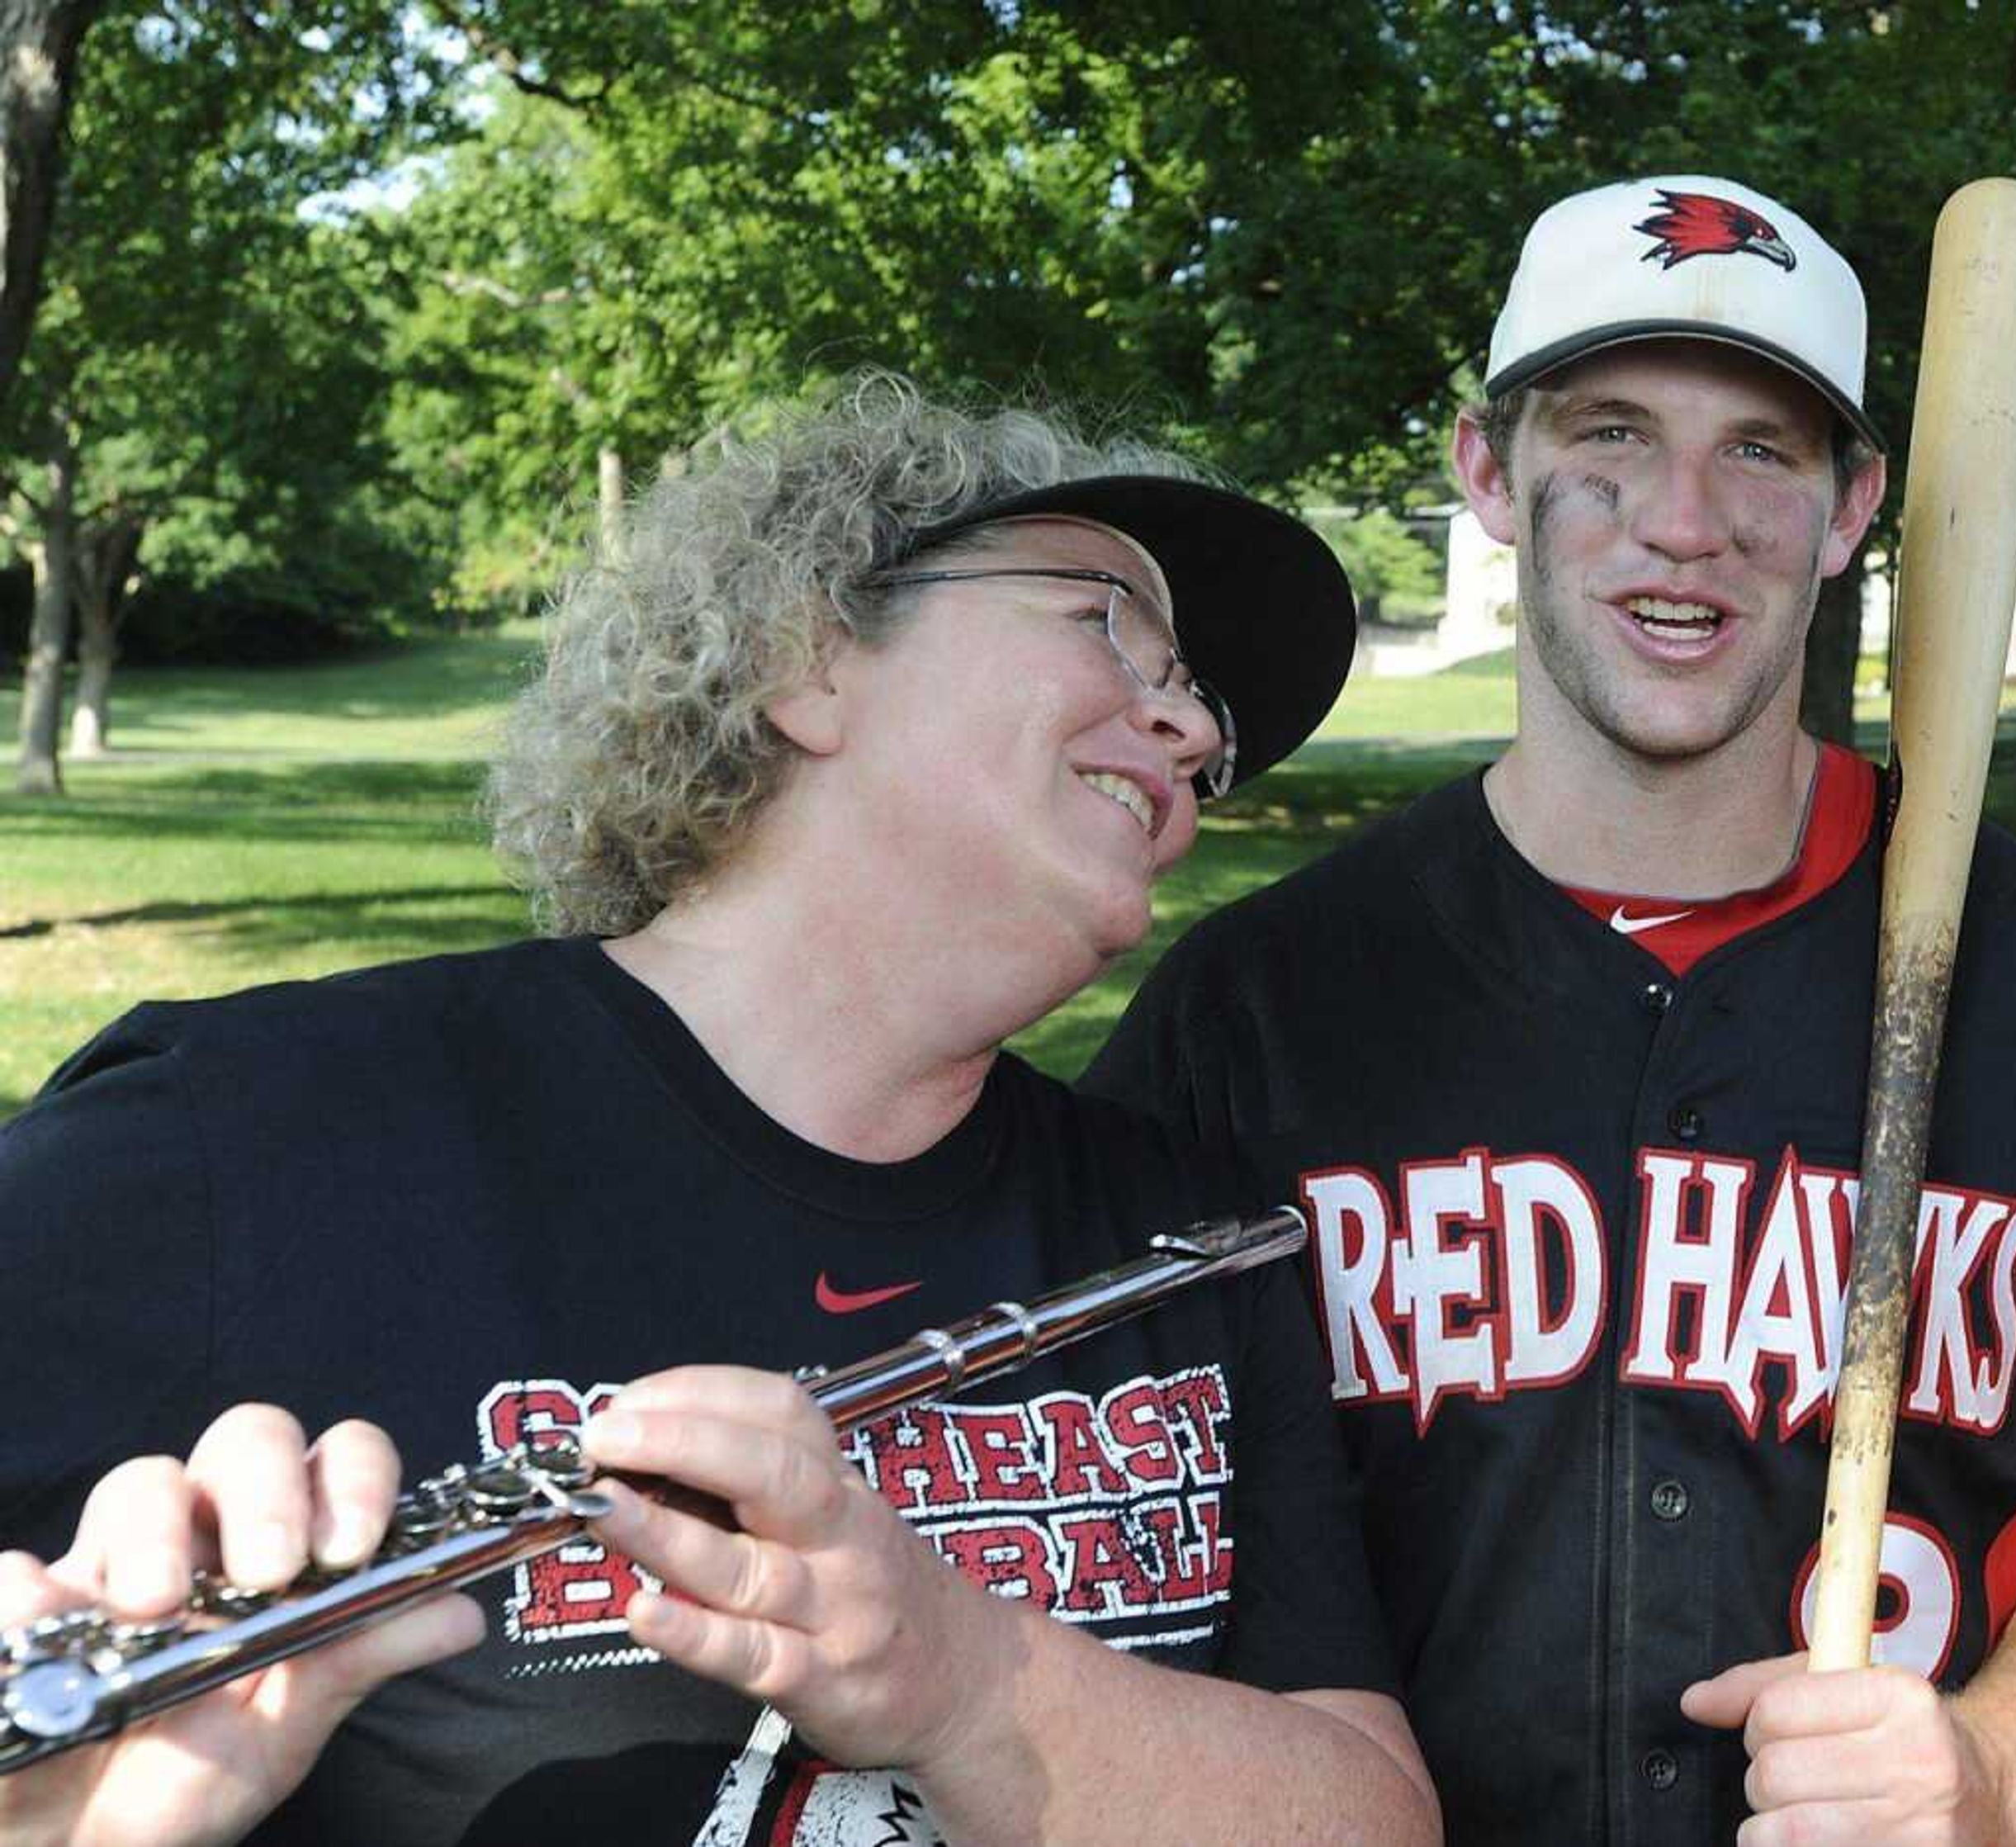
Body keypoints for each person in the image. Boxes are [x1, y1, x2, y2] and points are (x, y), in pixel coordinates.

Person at [0, 374, 1438, 1847]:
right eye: (1100, 619)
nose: (1190, 723)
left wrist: (964, 1679)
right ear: (803, 655)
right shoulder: (244, 1135)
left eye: (1200, 693)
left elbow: (1370, 1817)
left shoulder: (1195, 1240)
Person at [1083, 175, 2016, 1845]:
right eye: (1614, 436)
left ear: (1855, 509)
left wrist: (2002, 1775)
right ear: (1487, 474)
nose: (1687, 522)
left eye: (1763, 452)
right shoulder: (1261, 1007)